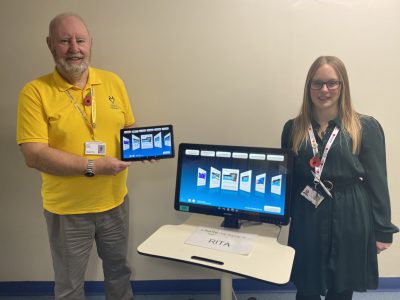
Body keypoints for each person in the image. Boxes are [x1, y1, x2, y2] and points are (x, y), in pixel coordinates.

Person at [16, 13, 135, 300]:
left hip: (114, 203)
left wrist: (142, 149)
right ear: (50, 45)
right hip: (67, 211)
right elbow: (34, 154)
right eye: (64, 41)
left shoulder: (113, 82)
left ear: (90, 43)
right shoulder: (34, 93)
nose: (74, 48)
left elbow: (128, 127)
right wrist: (94, 165)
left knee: (119, 273)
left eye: (80, 40)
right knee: (69, 286)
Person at [281, 56, 399, 300]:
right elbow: (287, 179)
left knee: (342, 287)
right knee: (306, 285)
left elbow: (378, 181)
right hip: (308, 212)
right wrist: (276, 215)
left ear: (342, 86)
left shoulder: (364, 127)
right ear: (308, 87)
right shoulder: (293, 128)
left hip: (351, 212)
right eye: (317, 83)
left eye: (332, 83)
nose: (324, 90)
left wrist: (382, 230)